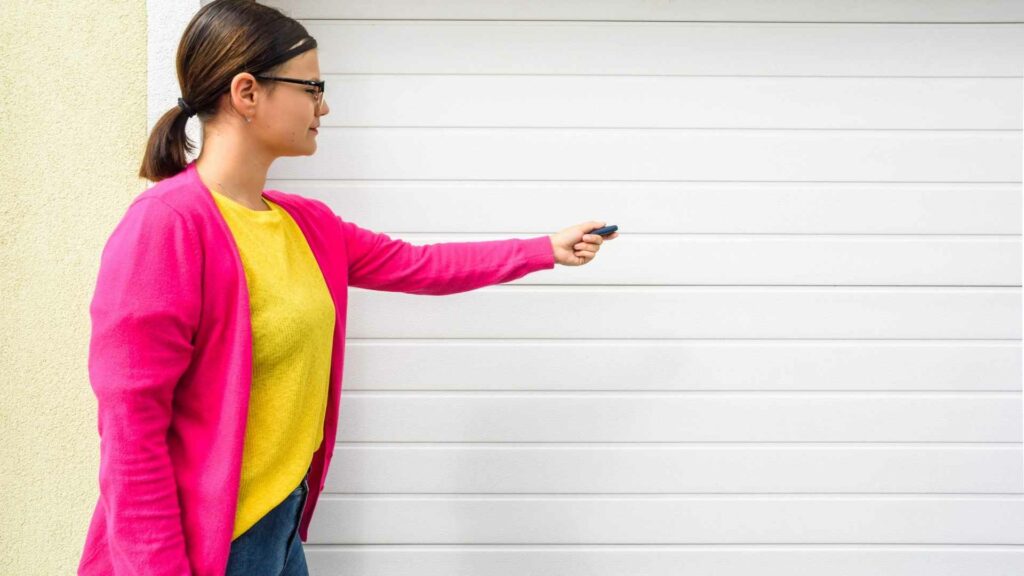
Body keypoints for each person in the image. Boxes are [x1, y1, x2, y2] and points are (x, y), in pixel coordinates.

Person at [77, 1, 619, 575]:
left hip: (280, 529)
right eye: (312, 87)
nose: (324, 105)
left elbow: (418, 265)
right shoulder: (166, 226)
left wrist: (543, 250)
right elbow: (131, 435)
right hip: (207, 550)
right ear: (246, 92)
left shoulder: (304, 224)